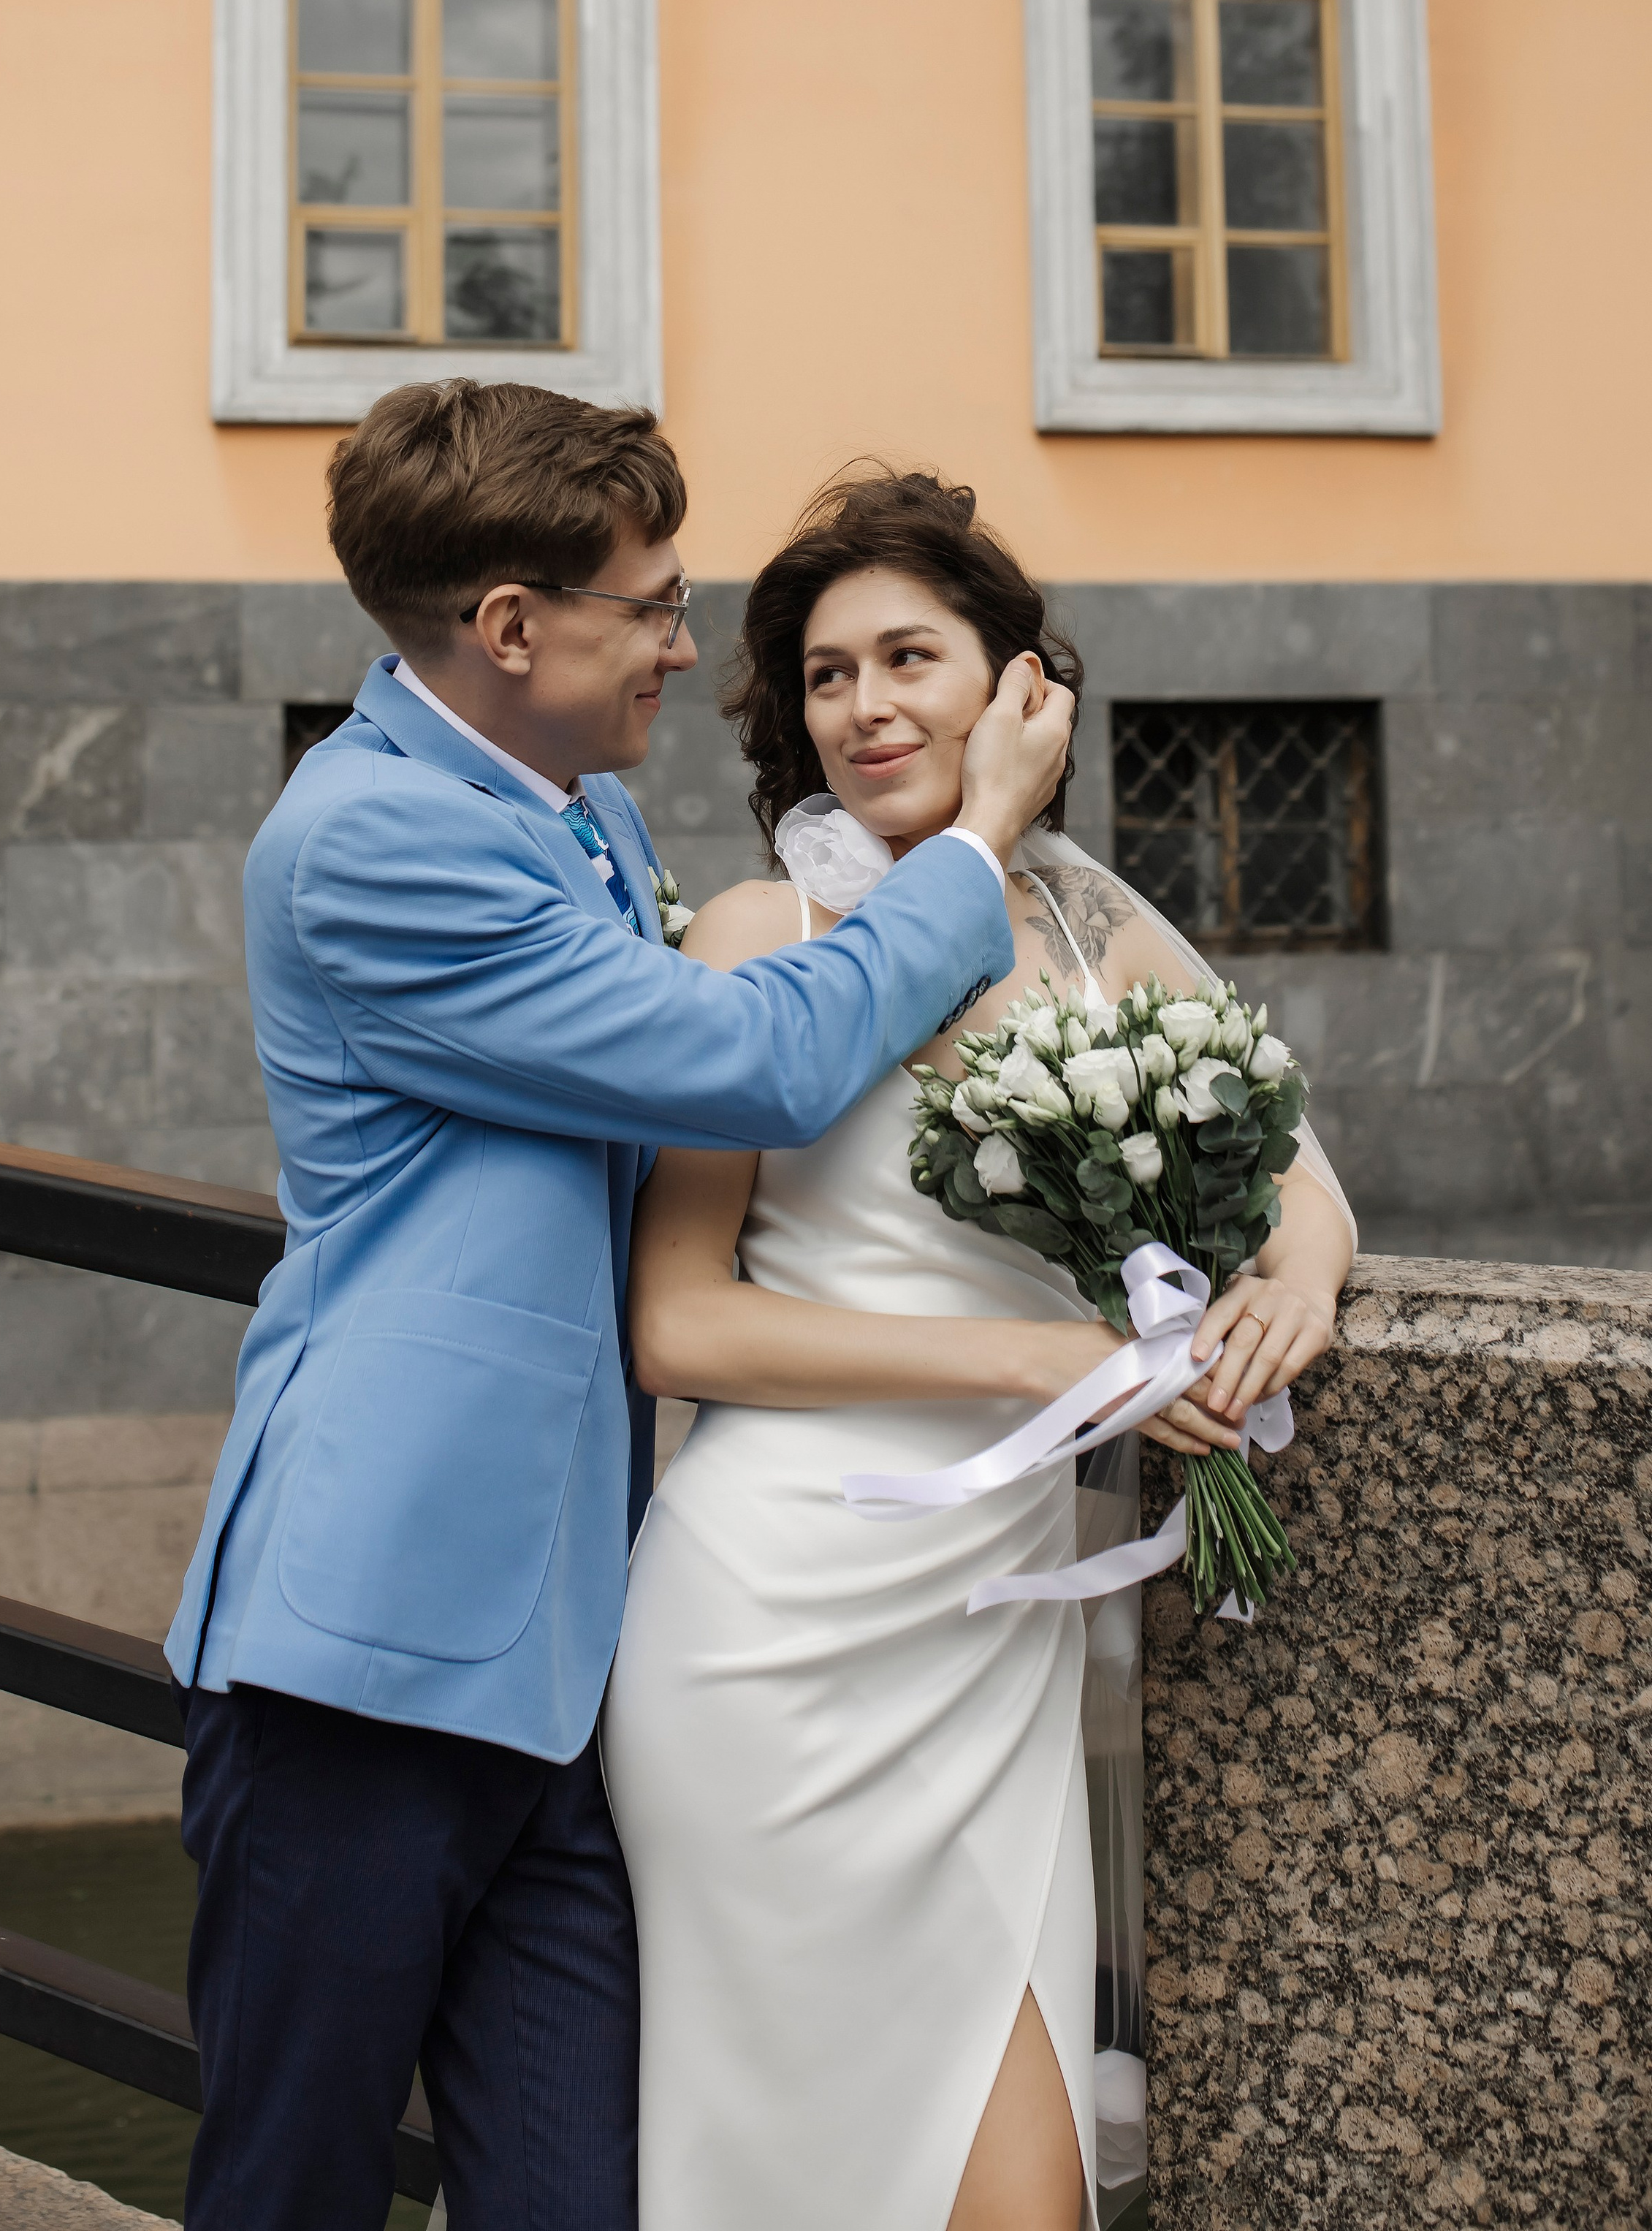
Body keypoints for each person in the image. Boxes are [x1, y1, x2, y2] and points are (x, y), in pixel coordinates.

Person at [161, 386, 1080, 2231]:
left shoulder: (560, 818)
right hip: (371, 1644)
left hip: (564, 1652)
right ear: (512, 627)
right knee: (294, 2184)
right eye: (652, 605)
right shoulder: (373, 844)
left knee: (581, 2195)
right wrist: (973, 849)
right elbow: (751, 1065)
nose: (683, 638)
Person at [601, 468, 1356, 2231]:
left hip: (991, 1640)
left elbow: (1292, 1161)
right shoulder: (759, 937)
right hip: (779, 1630)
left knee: (1008, 2196)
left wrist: (1293, 1294)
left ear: (1020, 684)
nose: (863, 708)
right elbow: (675, 1320)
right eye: (824, 674)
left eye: (908, 658)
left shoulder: (1094, 929)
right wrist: (1059, 1376)